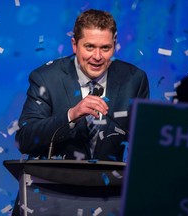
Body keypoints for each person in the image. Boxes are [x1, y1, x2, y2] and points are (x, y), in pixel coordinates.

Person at [15, 9, 150, 162]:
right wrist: (71, 115)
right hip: (57, 182)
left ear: (115, 43)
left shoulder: (134, 79)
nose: (97, 57)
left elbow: (144, 143)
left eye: (105, 48)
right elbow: (24, 140)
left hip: (110, 184)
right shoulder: (46, 78)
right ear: (74, 44)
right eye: (90, 47)